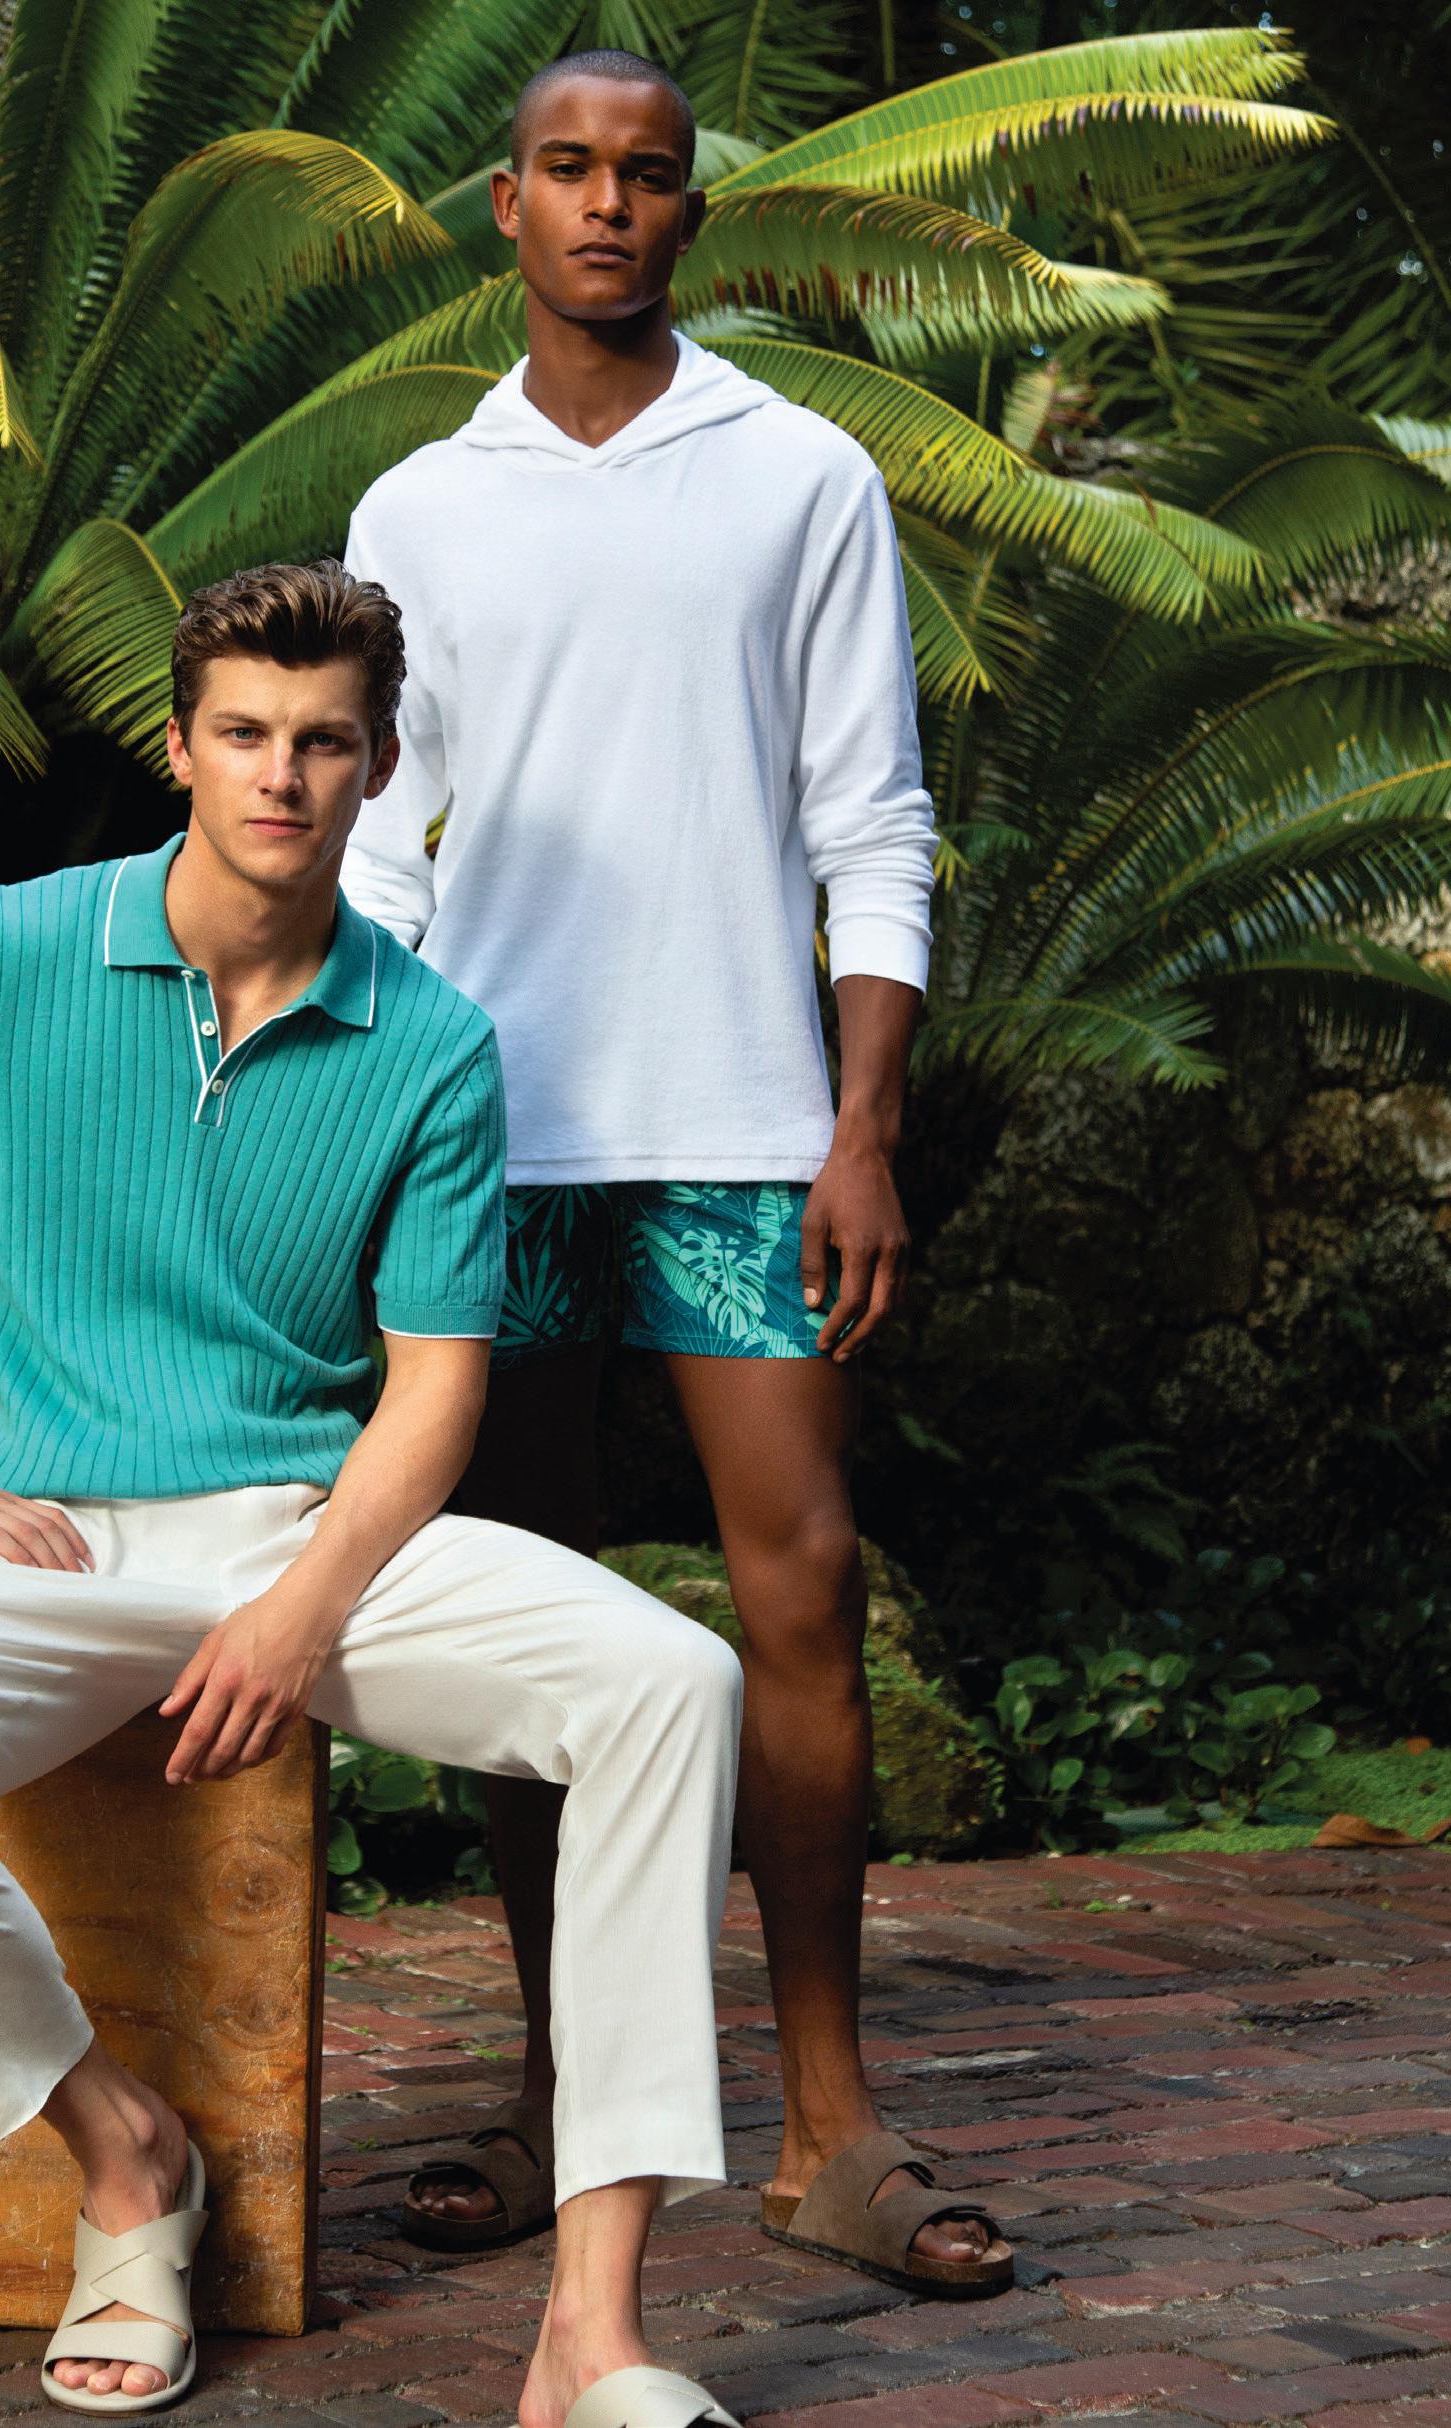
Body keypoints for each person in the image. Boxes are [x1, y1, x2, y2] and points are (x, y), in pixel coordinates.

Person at [0, 561, 751, 2427]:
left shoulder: (432, 1042)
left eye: (324, 741)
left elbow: (436, 1390)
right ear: (180, 745)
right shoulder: (9, 953)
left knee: (675, 1681)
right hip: (43, 1533)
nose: (282, 775)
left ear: (382, 766)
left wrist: (301, 1607)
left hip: (311, 1532)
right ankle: (127, 2158)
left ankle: (594, 2334)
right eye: (246, 734)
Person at [337, 50, 1012, 2298]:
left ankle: (825, 2122)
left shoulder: (800, 473)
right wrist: (355, 1121)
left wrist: (860, 1126)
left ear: (690, 217)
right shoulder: (420, 505)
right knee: (523, 1624)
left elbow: (872, 816)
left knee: (800, 1587)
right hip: (488, 1140)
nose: (606, 204)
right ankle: (564, 2089)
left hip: (739, 1131)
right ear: (505, 205)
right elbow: (383, 851)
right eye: (568, 168)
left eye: (645, 175)